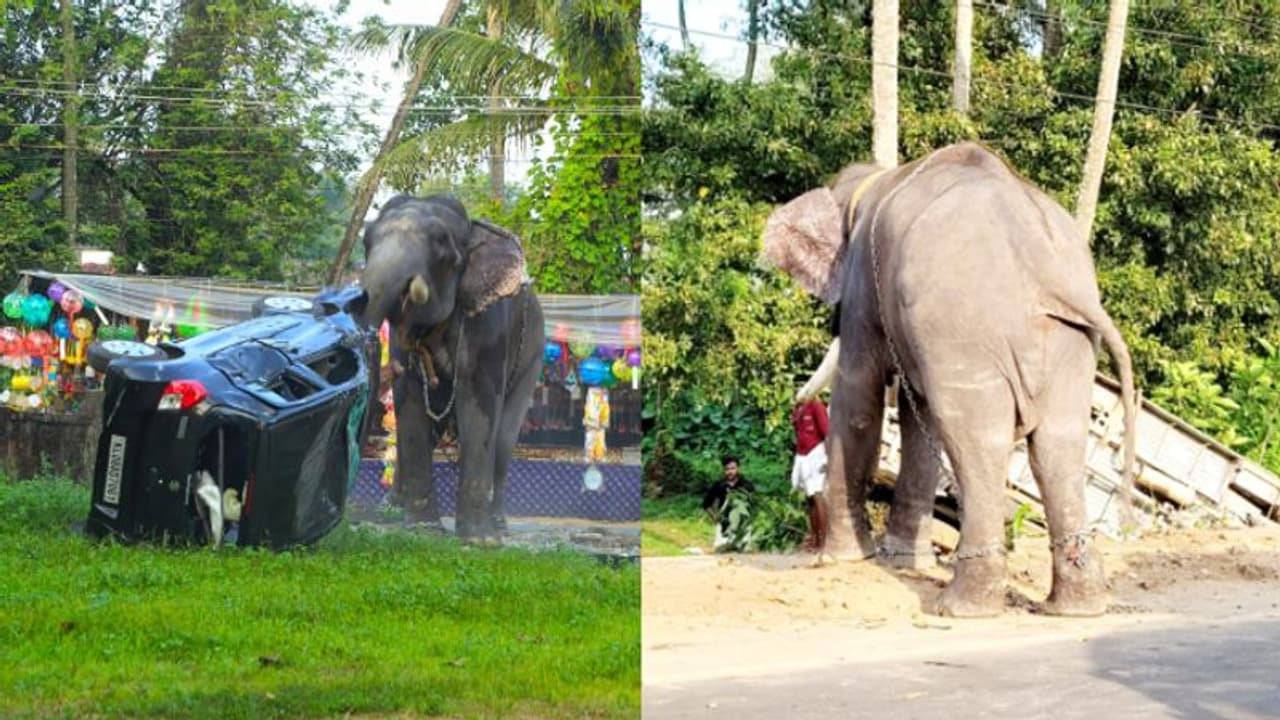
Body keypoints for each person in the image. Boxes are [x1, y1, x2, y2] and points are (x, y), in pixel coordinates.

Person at [790, 397, 830, 559]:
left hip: (816, 453)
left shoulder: (816, 405)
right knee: (809, 499)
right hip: (802, 455)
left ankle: (823, 542)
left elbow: (826, 432)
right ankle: (814, 538)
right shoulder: (797, 409)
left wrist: (828, 457)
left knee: (817, 496)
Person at [702, 456, 756, 550]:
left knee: (744, 553)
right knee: (721, 553)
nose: (730, 471)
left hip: (743, 526)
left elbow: (754, 504)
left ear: (738, 468)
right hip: (724, 525)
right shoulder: (719, 485)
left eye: (733, 468)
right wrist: (715, 518)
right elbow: (706, 504)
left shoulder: (746, 485)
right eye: (727, 469)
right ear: (723, 470)